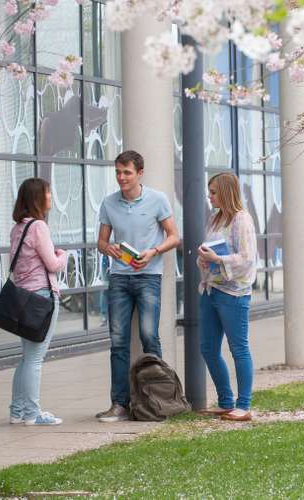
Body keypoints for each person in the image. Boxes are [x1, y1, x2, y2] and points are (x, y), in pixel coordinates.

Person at [95, 150, 180, 422]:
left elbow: (174, 236)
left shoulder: (157, 200)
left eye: (127, 172)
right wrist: (110, 250)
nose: (121, 177)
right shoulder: (109, 203)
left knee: (148, 336)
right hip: (119, 277)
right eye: (118, 172)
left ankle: (156, 400)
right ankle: (119, 404)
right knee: (118, 342)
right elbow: (101, 242)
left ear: (139, 173)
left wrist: (153, 252)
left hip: (148, 277)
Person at [197, 172, 258, 422]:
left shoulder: (242, 220)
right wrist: (204, 257)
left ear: (225, 192)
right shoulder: (215, 219)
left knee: (238, 348)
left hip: (234, 294)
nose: (210, 197)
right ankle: (225, 401)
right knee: (208, 348)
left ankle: (243, 405)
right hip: (211, 289)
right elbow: (209, 249)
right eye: (209, 192)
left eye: (213, 192)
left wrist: (217, 259)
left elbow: (247, 259)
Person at [8, 178, 66, 426]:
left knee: (26, 357)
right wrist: (62, 256)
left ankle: (17, 411)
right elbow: (52, 264)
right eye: (48, 193)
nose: (51, 197)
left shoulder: (17, 228)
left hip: (23, 297)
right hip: (42, 297)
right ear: (37, 198)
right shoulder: (38, 227)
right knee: (34, 359)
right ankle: (32, 414)